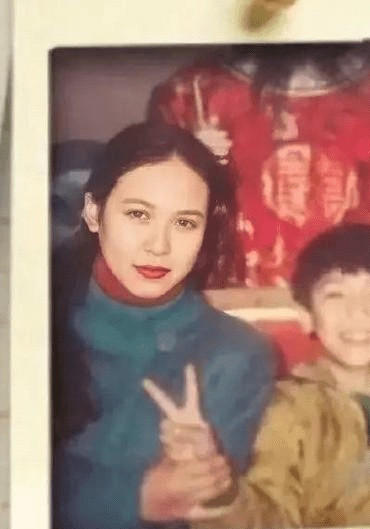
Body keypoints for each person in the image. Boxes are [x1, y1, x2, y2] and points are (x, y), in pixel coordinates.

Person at [156, 223, 370, 528]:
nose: (357, 311)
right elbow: (269, 518)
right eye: (335, 295)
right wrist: (218, 491)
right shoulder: (291, 411)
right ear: (306, 315)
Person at [51, 122, 276, 529]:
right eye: (138, 214)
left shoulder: (237, 354)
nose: (159, 245)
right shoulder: (35, 322)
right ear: (93, 213)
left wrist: (211, 481)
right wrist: (133, 496)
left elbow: (222, 512)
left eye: (185, 223)